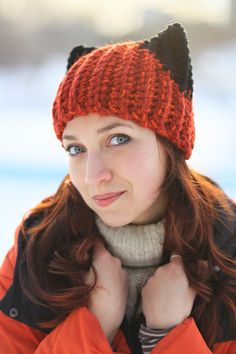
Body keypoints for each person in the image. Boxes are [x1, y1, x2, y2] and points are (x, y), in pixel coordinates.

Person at [0, 22, 235, 354]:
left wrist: (167, 335)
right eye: (76, 149)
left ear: (171, 144)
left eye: (118, 139)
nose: (93, 175)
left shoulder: (230, 253)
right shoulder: (37, 248)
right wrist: (93, 326)